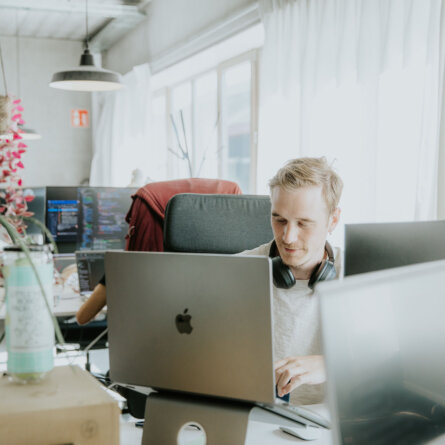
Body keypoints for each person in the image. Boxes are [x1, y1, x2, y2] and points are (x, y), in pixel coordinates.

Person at [241, 157, 343, 405]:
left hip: (329, 425)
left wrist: (330, 363)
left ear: (333, 220)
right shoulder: (238, 269)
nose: (288, 237)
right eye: (280, 220)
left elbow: (396, 359)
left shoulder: (360, 273)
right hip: (253, 419)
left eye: (303, 223)